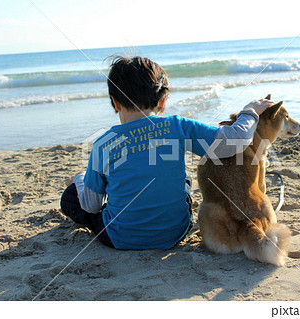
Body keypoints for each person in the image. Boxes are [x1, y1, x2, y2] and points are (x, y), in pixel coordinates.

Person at [60, 56, 274, 250]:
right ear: (162, 102)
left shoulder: (103, 143)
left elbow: (91, 205)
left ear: (115, 103)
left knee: (71, 197)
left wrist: (80, 180)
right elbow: (235, 140)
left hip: (120, 238)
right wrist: (251, 110)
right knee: (185, 179)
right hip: (175, 233)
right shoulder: (178, 127)